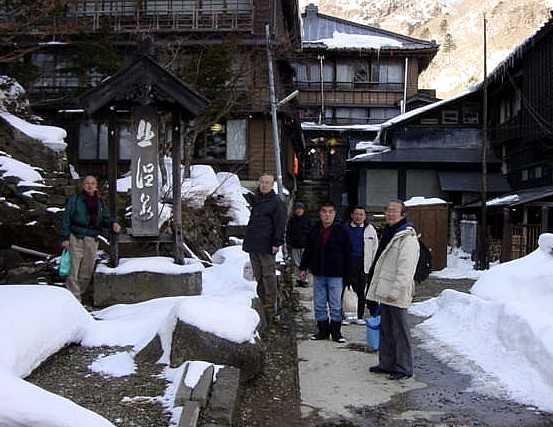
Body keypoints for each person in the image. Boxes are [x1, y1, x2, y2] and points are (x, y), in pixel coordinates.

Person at [366, 200, 420, 380]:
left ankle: (404, 368)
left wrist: (396, 290)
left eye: (394, 211)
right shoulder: (390, 233)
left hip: (396, 292)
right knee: (387, 329)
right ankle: (387, 364)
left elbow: (406, 269)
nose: (390, 213)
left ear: (403, 214)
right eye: (388, 210)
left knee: (400, 331)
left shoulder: (407, 237)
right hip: (385, 289)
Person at [61, 175, 121, 303]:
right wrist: (65, 237)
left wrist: (113, 224)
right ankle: (74, 300)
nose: (90, 185)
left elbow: (105, 218)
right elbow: (66, 219)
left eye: (93, 183)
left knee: (87, 270)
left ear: (96, 186)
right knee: (73, 269)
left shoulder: (99, 202)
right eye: (87, 183)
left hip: (92, 238)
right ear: (83, 185)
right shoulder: (75, 200)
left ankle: (79, 294)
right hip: (76, 236)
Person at [299, 201, 351, 343]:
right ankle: (322, 331)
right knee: (319, 304)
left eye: (330, 212)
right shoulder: (315, 229)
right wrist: (303, 268)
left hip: (336, 274)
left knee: (335, 305)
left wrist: (348, 274)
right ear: (320, 213)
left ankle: (336, 332)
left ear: (334, 214)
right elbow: (308, 250)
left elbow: (348, 253)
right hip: (319, 272)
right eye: (324, 211)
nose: (327, 215)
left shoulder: (342, 230)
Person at [243, 174, 286, 325]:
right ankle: (261, 302)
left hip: (267, 244)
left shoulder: (276, 203)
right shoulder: (257, 199)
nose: (264, 185)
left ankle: (270, 307)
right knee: (259, 275)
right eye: (262, 182)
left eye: (267, 182)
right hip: (254, 243)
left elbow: (280, 224)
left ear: (272, 185)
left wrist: (277, 242)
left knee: (268, 276)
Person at [343, 206, 378, 325]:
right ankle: (346, 315)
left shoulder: (370, 229)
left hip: (364, 264)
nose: (358, 217)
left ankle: (359, 315)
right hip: (348, 263)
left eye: (361, 214)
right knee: (347, 289)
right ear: (352, 215)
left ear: (365, 216)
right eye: (356, 214)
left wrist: (373, 265)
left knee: (361, 290)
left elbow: (375, 248)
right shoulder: (345, 228)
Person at [286, 201, 312, 287]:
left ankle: (305, 279)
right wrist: (289, 242)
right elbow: (288, 232)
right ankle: (299, 279)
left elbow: (311, 232)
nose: (299, 211)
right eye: (297, 209)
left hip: (305, 246)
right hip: (295, 245)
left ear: (303, 210)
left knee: (305, 263)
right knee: (297, 263)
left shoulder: (307, 220)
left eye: (300, 209)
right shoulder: (292, 220)